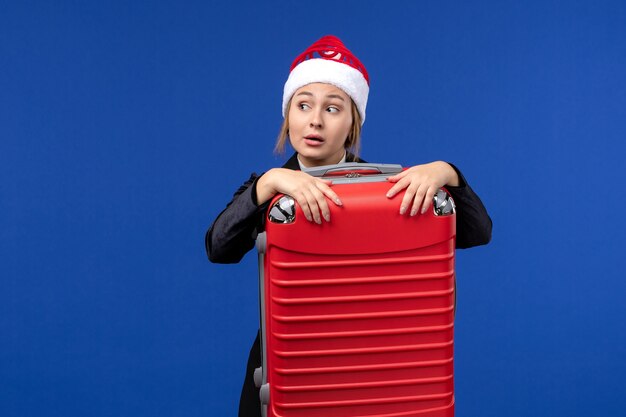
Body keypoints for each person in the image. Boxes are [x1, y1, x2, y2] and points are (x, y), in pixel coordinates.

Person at [205, 35, 492, 417]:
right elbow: (218, 248)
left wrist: (449, 173)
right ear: (288, 115)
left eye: (333, 108)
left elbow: (478, 232)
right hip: (289, 368)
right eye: (303, 105)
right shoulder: (270, 188)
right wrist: (267, 185)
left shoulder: (387, 191)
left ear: (353, 121)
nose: (315, 120)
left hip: (367, 371)